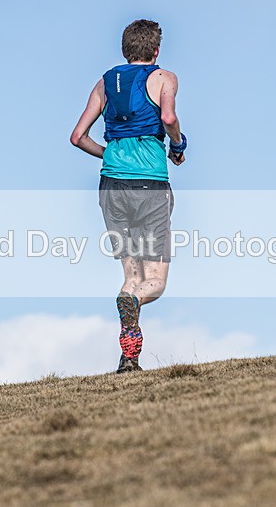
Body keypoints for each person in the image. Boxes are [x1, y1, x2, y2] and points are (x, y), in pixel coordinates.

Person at [70, 19, 188, 373]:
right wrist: (179, 145)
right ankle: (134, 303)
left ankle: (129, 359)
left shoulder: (106, 82)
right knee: (154, 282)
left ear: (125, 50)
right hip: (149, 185)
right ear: (155, 51)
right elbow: (167, 116)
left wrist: (108, 152)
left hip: (111, 187)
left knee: (130, 276)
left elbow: (78, 136)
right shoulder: (164, 77)